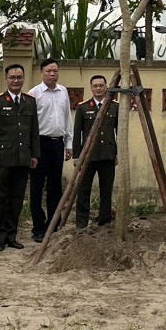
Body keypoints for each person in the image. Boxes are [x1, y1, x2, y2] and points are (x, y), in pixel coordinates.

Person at [0, 63, 40, 252]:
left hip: (23, 158)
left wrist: (34, 154)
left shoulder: (29, 101)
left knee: (16, 199)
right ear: (6, 79)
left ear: (23, 79)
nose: (16, 80)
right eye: (12, 77)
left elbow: (34, 131)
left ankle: (11, 235)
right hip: (2, 159)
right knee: (0, 199)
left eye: (19, 77)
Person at [28, 58, 71, 242]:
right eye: (48, 71)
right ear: (42, 73)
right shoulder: (34, 94)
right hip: (40, 144)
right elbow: (30, 124)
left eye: (55, 71)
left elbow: (67, 118)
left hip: (57, 144)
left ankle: (53, 225)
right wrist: (32, 150)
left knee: (55, 186)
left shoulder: (63, 92)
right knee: (37, 187)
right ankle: (38, 227)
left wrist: (69, 144)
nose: (52, 74)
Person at [72, 74, 117, 227]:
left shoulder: (114, 106)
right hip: (88, 156)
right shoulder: (83, 107)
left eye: (101, 85)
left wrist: (116, 154)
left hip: (107, 155)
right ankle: (81, 223)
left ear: (106, 87)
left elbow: (119, 131)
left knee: (106, 191)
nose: (98, 88)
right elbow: (77, 133)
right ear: (91, 88)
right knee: (83, 190)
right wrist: (77, 157)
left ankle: (104, 223)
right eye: (95, 86)